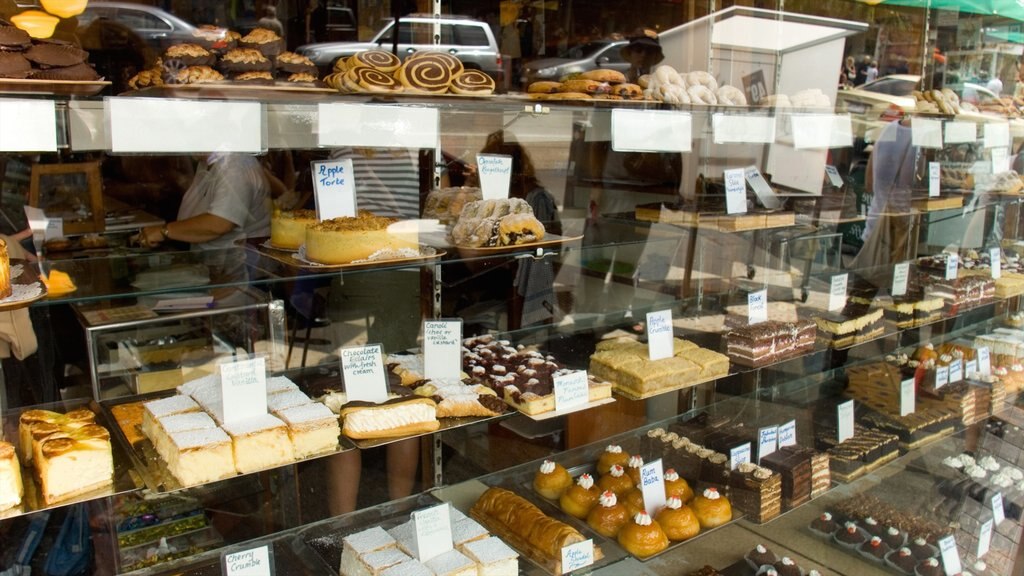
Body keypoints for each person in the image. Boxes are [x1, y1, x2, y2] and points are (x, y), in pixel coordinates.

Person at [324, 146, 425, 516]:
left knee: (349, 397)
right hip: (409, 276)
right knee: (403, 394)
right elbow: (436, 212)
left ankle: (342, 522)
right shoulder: (419, 147)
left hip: (357, 278)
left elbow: (330, 220)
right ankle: (400, 511)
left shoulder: (344, 148)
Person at [137, 153, 270, 250]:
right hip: (217, 261)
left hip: (243, 262)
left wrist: (164, 232)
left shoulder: (234, 167)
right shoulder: (207, 163)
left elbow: (219, 224)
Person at [851, 118, 916, 269]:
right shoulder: (921, 137)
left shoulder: (888, 128)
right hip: (896, 235)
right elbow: (909, 185)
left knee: (862, 288)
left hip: (872, 229)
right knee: (890, 287)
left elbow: (868, 183)